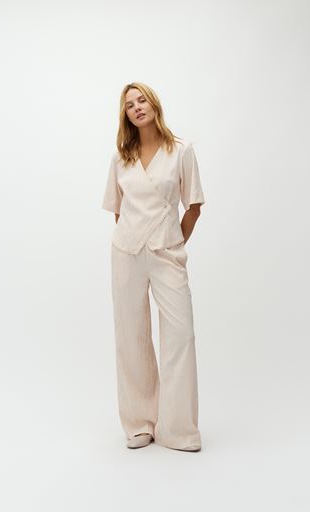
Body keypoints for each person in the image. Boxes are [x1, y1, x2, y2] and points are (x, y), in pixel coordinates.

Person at [101, 82, 206, 452]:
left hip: (166, 251)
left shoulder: (181, 150)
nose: (136, 107)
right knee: (131, 336)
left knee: (181, 334)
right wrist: (133, 241)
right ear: (125, 115)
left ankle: (178, 429)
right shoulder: (121, 158)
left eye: (141, 99)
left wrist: (173, 241)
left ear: (154, 103)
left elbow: (194, 206)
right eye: (129, 105)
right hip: (127, 252)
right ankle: (140, 423)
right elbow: (118, 211)